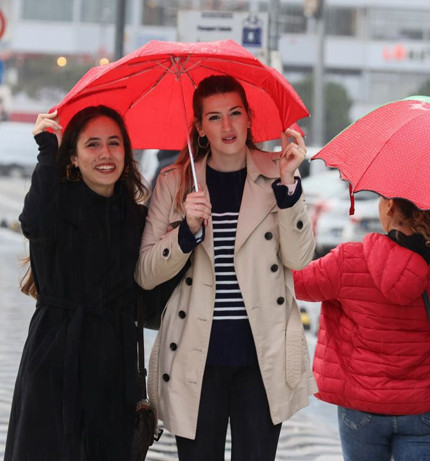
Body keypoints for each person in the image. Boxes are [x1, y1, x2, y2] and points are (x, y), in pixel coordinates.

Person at [135, 75, 316, 460]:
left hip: (262, 357)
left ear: (249, 117)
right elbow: (145, 273)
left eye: (235, 113)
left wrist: (288, 190)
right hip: (194, 356)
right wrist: (186, 231)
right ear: (200, 127)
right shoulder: (175, 182)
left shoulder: (278, 173)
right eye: (214, 117)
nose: (227, 126)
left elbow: (299, 259)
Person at [5, 107, 149, 460]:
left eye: (114, 143)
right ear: (73, 156)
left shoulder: (138, 217)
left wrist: (187, 232)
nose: (105, 153)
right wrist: (46, 152)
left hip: (114, 362)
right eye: (93, 144)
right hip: (56, 354)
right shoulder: (55, 203)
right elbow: (32, 223)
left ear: (126, 152)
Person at [293, 197, 430, 461]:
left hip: (362, 406)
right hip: (428, 407)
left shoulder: (348, 260)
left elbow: (293, 282)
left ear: (390, 207)